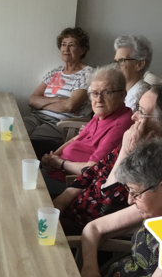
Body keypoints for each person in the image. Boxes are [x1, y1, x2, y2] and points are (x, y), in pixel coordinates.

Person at [52, 82, 162, 235]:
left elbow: (108, 203)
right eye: (137, 108)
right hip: (74, 208)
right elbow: (94, 170)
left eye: (142, 112)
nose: (134, 116)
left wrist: (126, 151)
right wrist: (62, 200)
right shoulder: (141, 140)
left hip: (89, 228)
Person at [79, 139, 162, 277]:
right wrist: (90, 269)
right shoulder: (157, 207)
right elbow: (94, 228)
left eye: (135, 193)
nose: (130, 200)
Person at [39, 65, 133, 196]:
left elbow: (92, 169)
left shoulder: (120, 126)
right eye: (95, 93)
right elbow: (77, 138)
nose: (99, 99)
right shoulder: (102, 114)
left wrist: (60, 163)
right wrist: (52, 157)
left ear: (122, 95)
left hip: (70, 184)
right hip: (56, 171)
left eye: (107, 92)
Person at [24, 27, 93, 157]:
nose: (66, 49)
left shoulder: (87, 74)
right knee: (15, 133)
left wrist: (43, 103)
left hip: (60, 125)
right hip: (36, 118)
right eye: (63, 44)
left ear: (83, 50)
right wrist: (59, 100)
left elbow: (70, 106)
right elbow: (32, 100)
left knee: (24, 142)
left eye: (72, 45)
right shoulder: (54, 72)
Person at [113, 35, 153, 111]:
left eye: (122, 61)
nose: (116, 66)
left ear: (139, 64)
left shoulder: (139, 97)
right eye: (115, 61)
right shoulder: (120, 91)